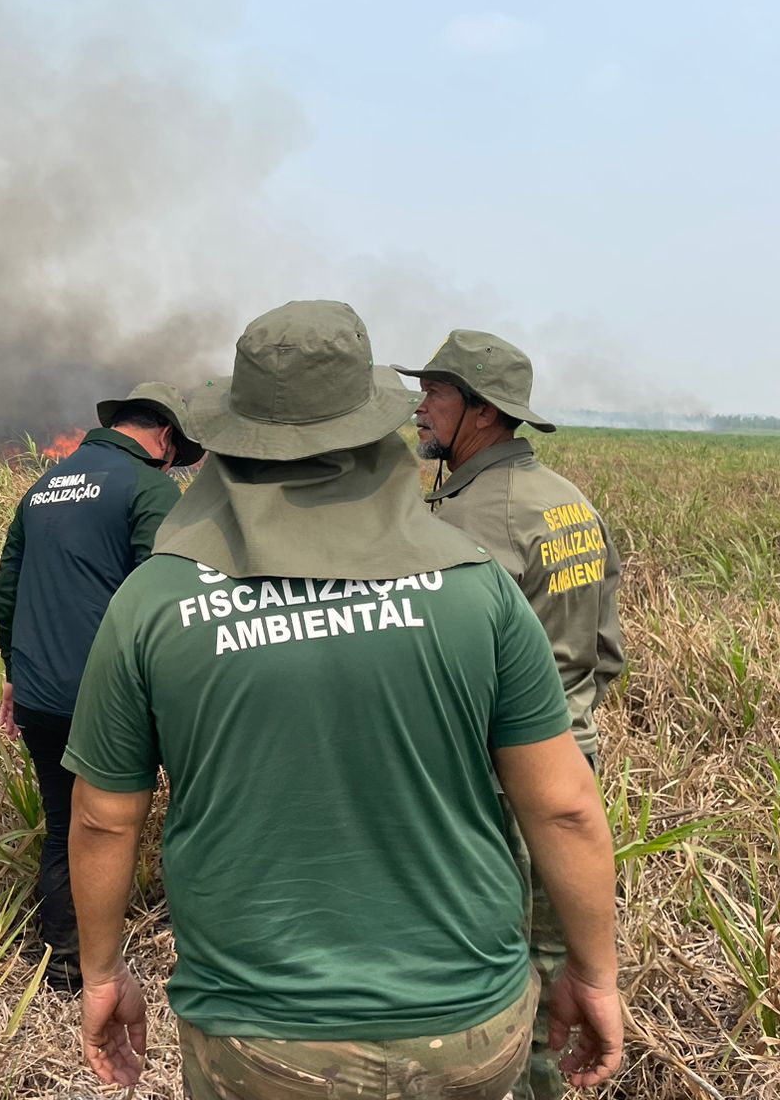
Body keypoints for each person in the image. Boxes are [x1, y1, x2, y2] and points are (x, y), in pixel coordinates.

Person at [65, 301, 622, 1098]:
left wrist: (101, 973)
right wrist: (594, 975)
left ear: (232, 438)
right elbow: (565, 808)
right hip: (468, 1032)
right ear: (373, 431)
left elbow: (101, 816)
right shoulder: (477, 589)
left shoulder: (154, 601)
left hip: (260, 1041)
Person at [394, 330, 625, 1100]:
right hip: (574, 765)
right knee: (560, 969)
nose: (420, 408)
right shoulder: (570, 503)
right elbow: (606, 653)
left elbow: (440, 674)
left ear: (484, 411)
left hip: (496, 782)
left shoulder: (461, 525)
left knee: (491, 979)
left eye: (436, 394)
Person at [0, 382, 202, 992]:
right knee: (182, 808)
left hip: (39, 696)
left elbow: (5, 593)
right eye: (177, 452)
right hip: (114, 698)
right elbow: (165, 594)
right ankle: (197, 942)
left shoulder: (43, 487)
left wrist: (13, 672)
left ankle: (64, 964)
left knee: (65, 824)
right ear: (164, 435)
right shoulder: (149, 488)